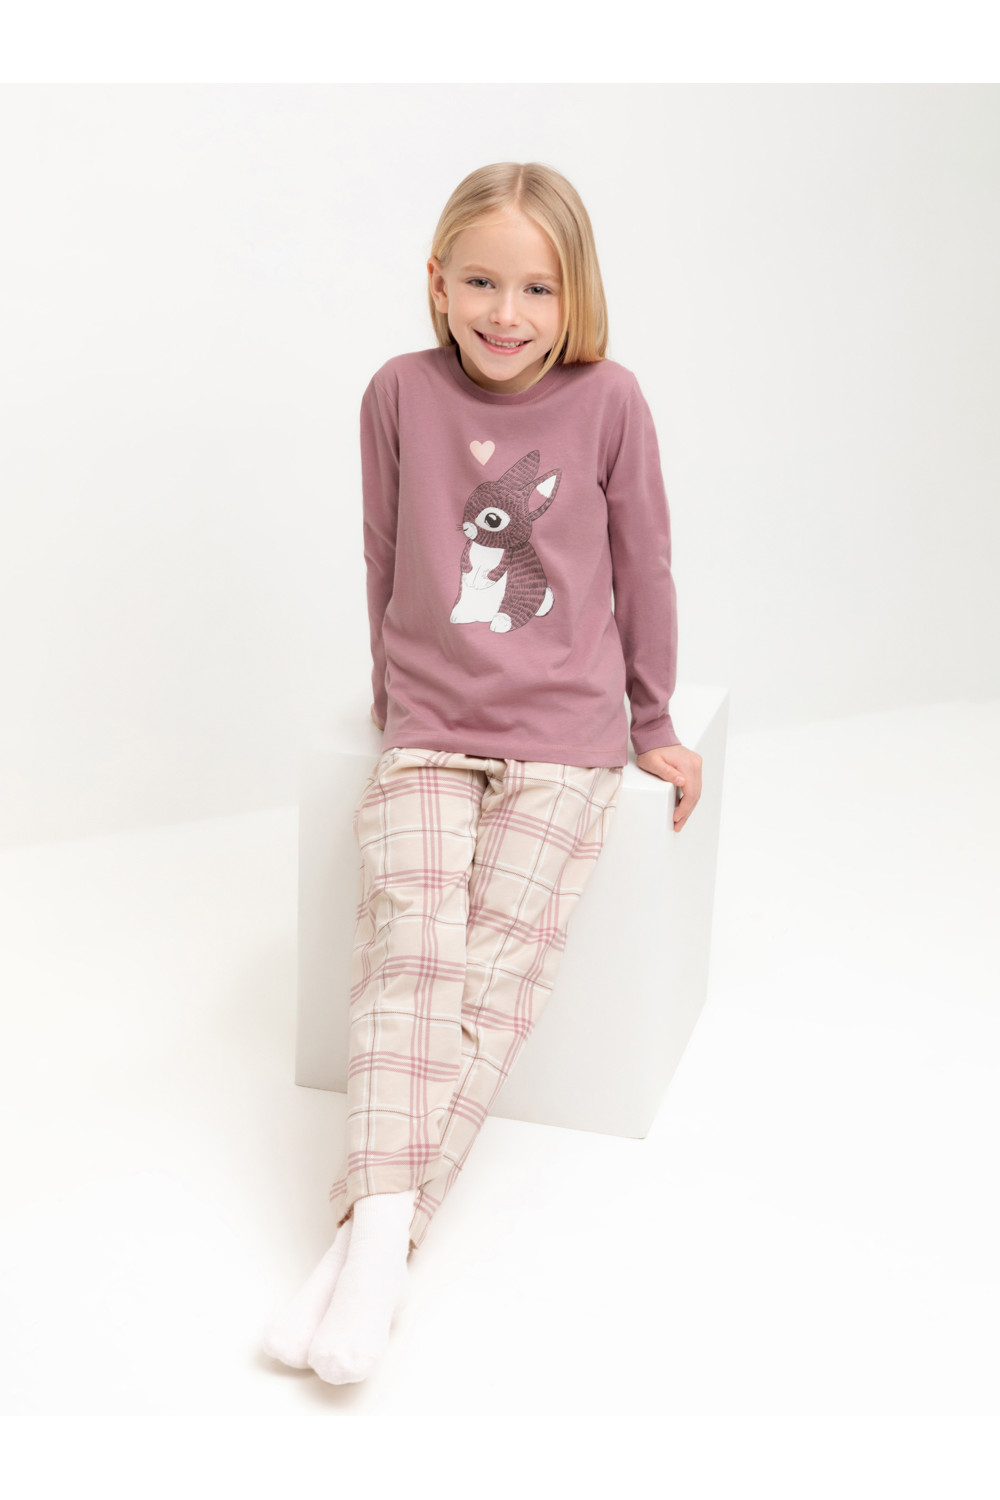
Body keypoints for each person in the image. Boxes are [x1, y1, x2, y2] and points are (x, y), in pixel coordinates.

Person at [263, 160, 703, 1386]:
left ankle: (366, 1247)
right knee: (409, 946)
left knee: (495, 972)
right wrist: (394, 698)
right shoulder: (398, 393)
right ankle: (379, 1244)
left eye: (537, 290)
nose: (506, 314)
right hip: (430, 724)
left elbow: (645, 562)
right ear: (437, 283)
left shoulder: (609, 400)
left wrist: (653, 718)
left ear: (576, 296)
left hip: (565, 737)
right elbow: (382, 549)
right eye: (480, 283)